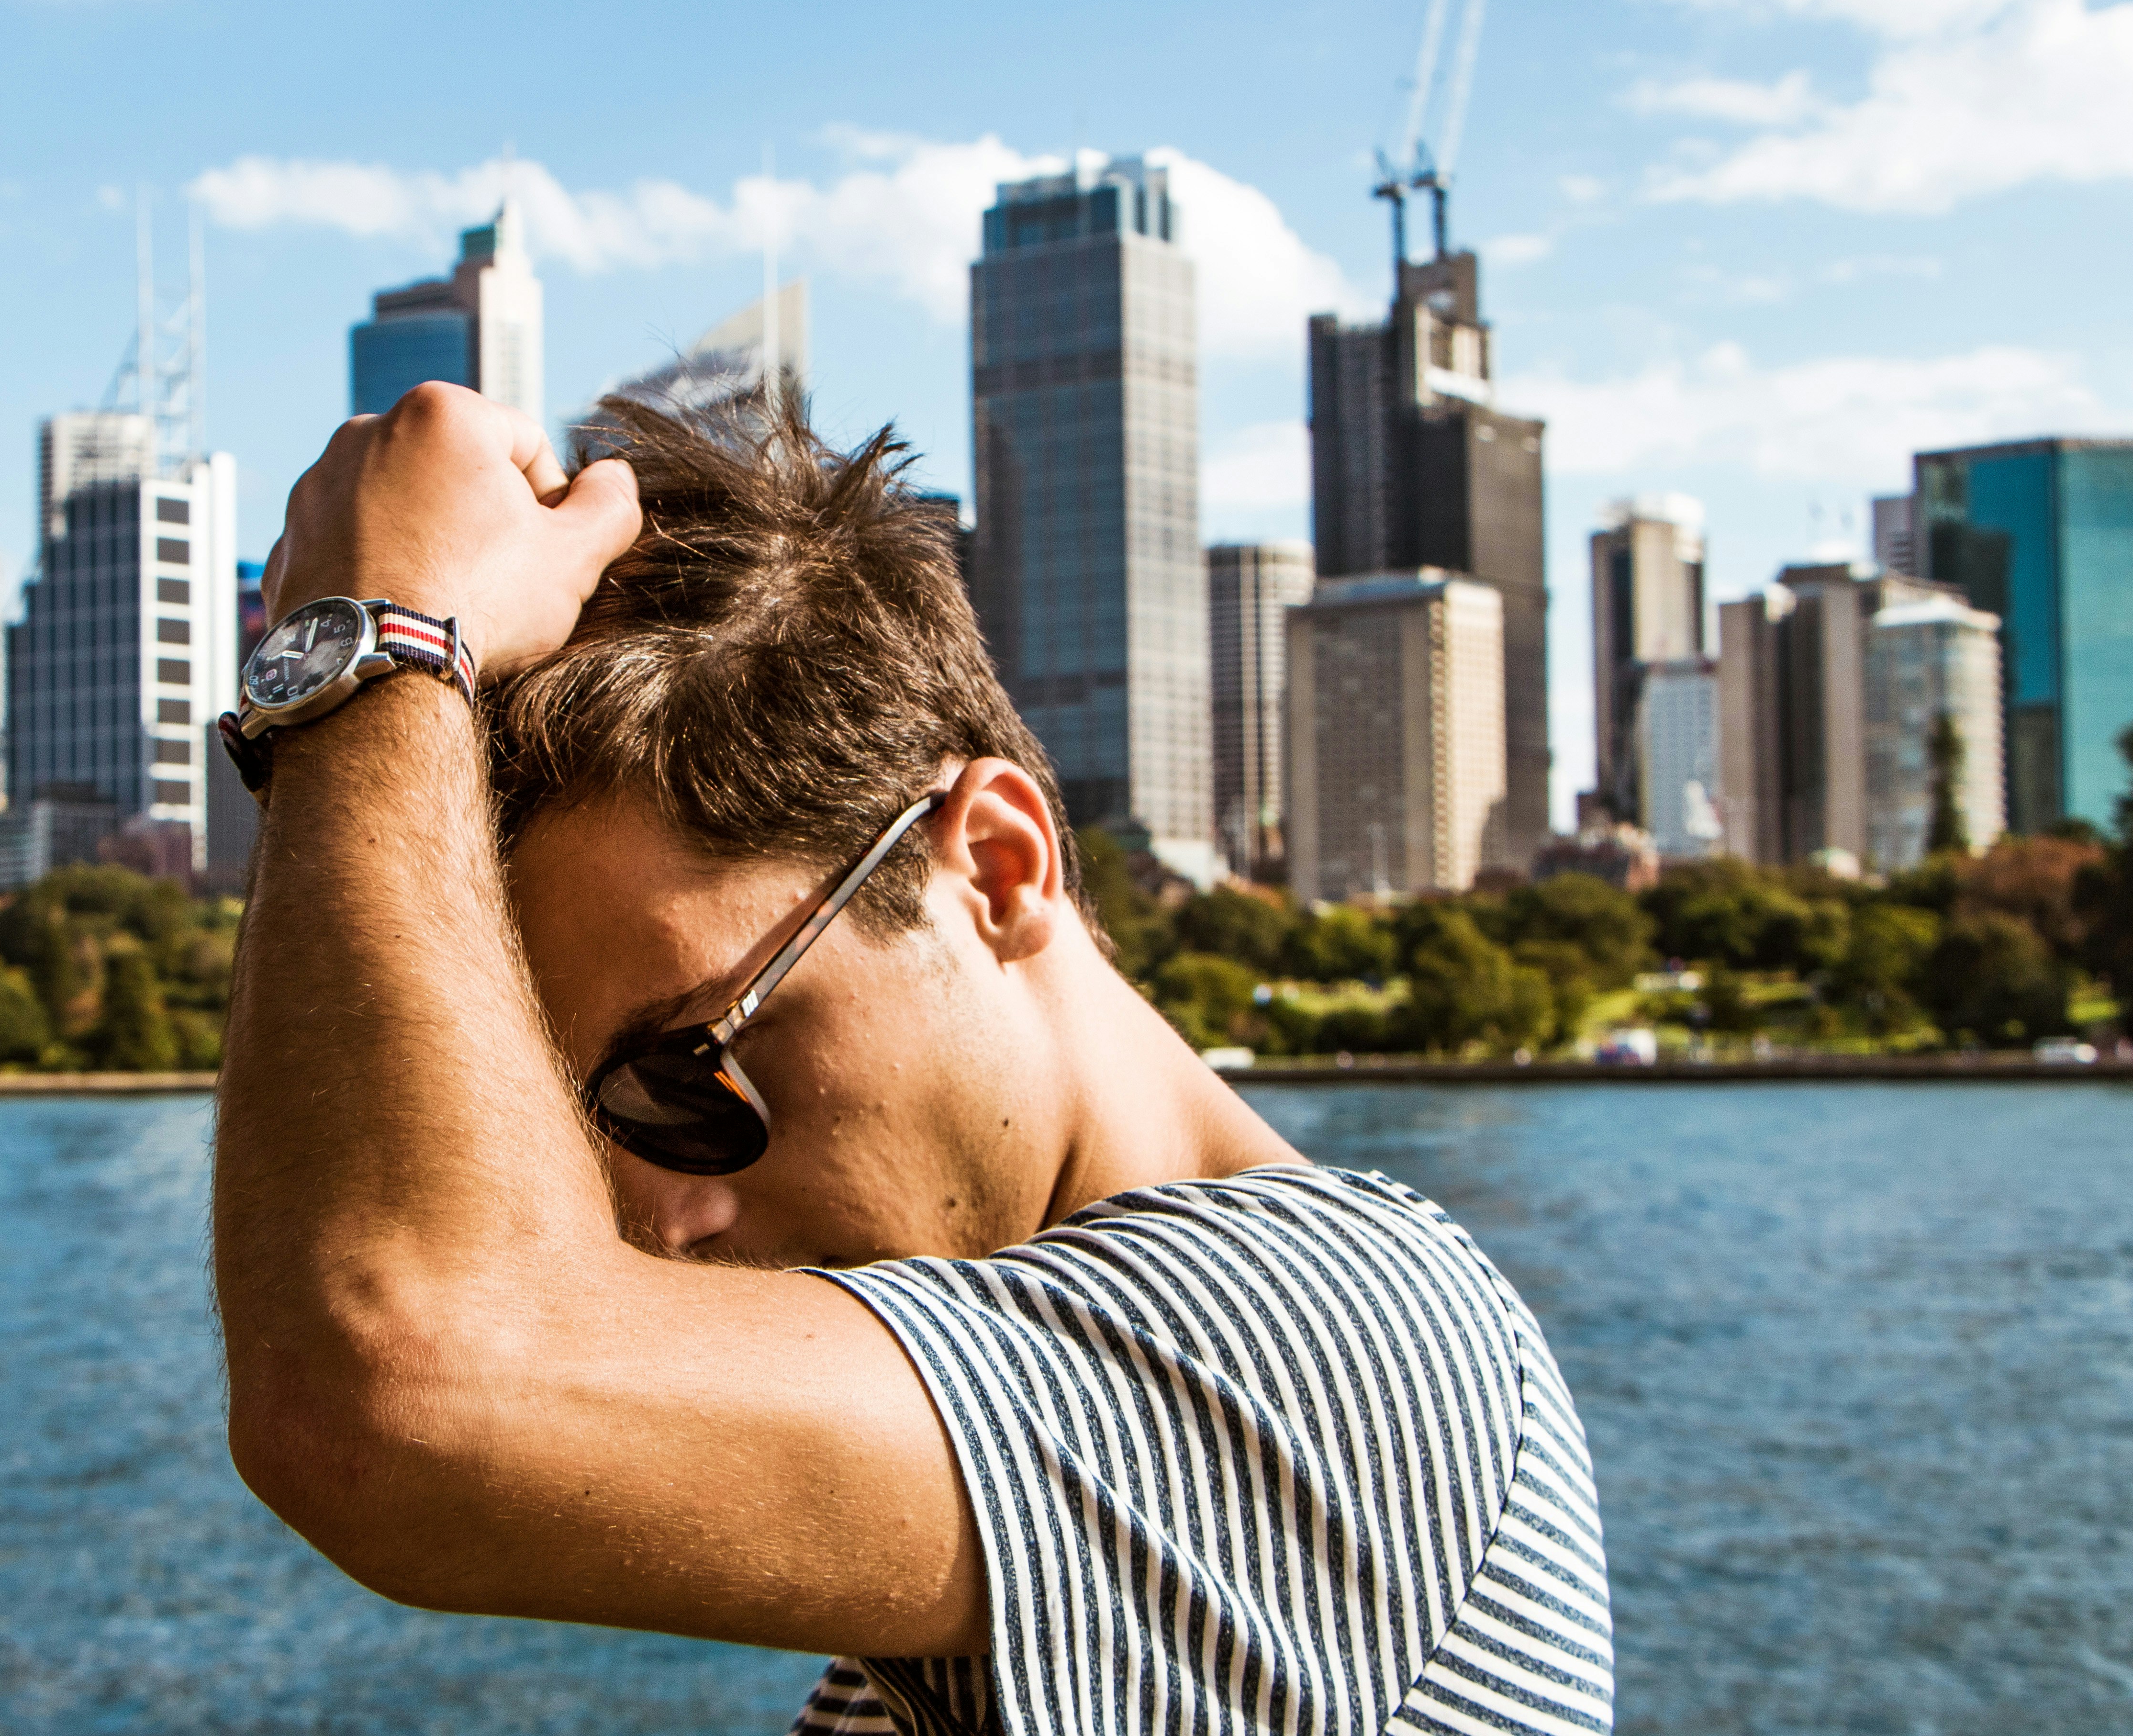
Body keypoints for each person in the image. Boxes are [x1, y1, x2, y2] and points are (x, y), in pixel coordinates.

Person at [212, 381, 1612, 1736]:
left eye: (689, 1072)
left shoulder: (1331, 1347)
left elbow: (401, 1392)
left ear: (998, 870)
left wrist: (377, 652)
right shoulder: (1026, 1548)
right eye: (577, 1134)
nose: (650, 1219)